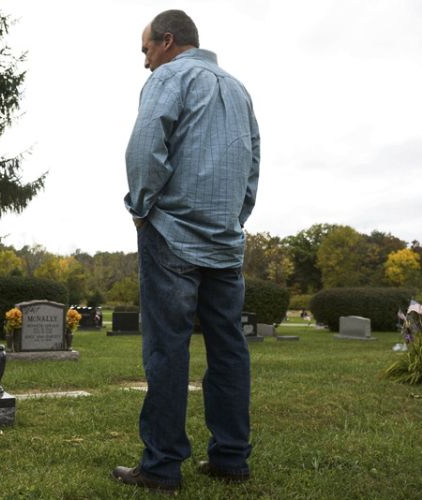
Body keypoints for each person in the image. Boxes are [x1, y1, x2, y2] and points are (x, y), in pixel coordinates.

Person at [111, 9, 260, 495]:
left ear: (168, 41)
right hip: (225, 240)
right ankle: (231, 458)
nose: (145, 61)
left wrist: (140, 206)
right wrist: (236, 218)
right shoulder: (238, 89)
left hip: (170, 232)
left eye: (146, 49)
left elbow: (145, 145)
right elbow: (252, 160)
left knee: (167, 349)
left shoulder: (169, 77)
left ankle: (161, 464)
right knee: (229, 348)